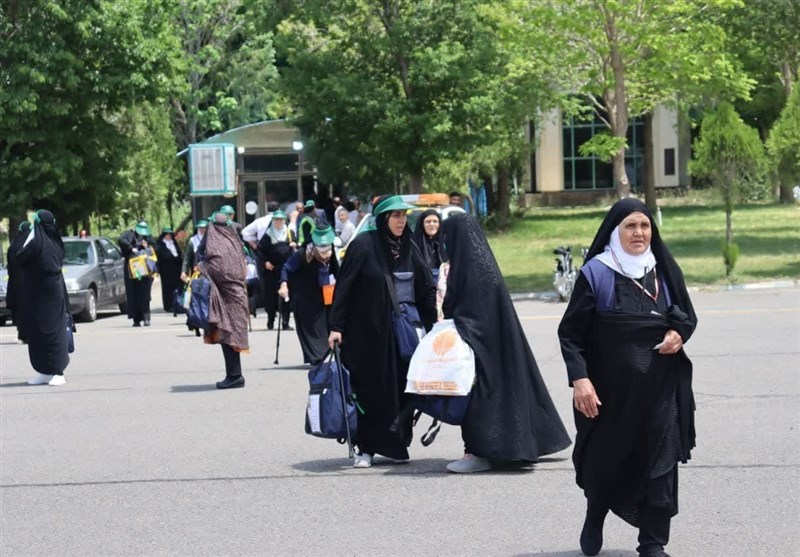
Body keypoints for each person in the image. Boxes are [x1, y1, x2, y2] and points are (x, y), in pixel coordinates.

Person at [557, 198, 697, 557]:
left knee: (661, 465)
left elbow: (687, 317)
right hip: (610, 396)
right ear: (614, 231)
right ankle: (595, 513)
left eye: (645, 225)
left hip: (660, 393)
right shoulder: (597, 274)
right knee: (605, 464)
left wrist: (678, 334)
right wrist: (580, 380)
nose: (639, 233)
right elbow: (570, 333)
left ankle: (652, 543)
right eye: (630, 226)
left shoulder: (664, 271)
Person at [437, 214, 572, 473]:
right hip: (496, 350)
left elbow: (470, 315)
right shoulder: (483, 267)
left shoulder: (471, 273)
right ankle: (523, 446)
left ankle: (479, 453)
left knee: (480, 400)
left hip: (480, 351)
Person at [328, 195, 436, 468]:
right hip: (367, 335)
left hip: (404, 335)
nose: (401, 221)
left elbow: (425, 288)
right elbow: (344, 288)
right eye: (396, 216)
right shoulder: (363, 245)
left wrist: (436, 325)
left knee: (402, 390)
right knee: (370, 391)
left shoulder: (409, 245)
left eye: (404, 216)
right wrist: (336, 327)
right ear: (383, 218)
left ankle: (396, 445)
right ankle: (366, 448)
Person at [197, 211, 250, 389]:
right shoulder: (234, 241)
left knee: (228, 336)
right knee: (228, 336)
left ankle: (235, 376)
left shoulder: (217, 244)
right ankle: (234, 374)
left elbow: (219, 269)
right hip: (235, 296)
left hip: (228, 298)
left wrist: (202, 266)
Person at [16, 210, 70, 386]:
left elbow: (20, 257)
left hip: (50, 293)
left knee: (53, 330)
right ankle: (44, 370)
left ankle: (57, 370)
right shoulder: (48, 241)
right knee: (38, 330)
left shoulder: (41, 243)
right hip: (38, 293)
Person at [279, 226, 339, 365]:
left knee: (325, 326)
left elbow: (336, 270)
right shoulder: (303, 254)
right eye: (322, 248)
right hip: (304, 295)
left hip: (324, 294)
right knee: (309, 328)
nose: (325, 252)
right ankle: (316, 357)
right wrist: (283, 285)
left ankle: (326, 353)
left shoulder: (331, 250)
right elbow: (286, 268)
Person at [257, 210, 295, 330]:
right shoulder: (268, 235)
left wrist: (294, 245)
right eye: (276, 220)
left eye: (281, 220)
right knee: (271, 296)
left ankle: (285, 322)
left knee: (286, 295)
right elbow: (260, 251)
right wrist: (265, 262)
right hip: (272, 270)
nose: (279, 222)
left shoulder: (289, 233)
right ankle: (271, 319)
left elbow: (296, 247)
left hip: (286, 268)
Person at [119, 221, 155, 327]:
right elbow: (121, 240)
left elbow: (155, 247)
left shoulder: (147, 236)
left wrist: (147, 246)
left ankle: (146, 317)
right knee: (133, 293)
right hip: (132, 267)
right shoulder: (128, 234)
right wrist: (131, 248)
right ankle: (136, 319)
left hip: (145, 267)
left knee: (145, 294)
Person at [6, 222, 31, 344]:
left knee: (20, 311)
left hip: (16, 285)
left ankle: (22, 334)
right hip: (31, 285)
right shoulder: (31, 246)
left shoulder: (13, 247)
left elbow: (9, 268)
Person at [411, 209, 445, 282]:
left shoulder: (444, 242)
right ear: (422, 224)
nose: (432, 224)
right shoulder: (414, 243)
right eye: (428, 222)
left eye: (435, 221)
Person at [155, 227, 183, 313]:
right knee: (167, 288)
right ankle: (168, 305)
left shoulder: (174, 243)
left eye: (170, 234)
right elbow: (159, 257)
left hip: (176, 269)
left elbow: (179, 254)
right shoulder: (160, 245)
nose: (168, 236)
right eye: (166, 234)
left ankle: (177, 304)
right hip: (166, 269)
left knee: (177, 287)